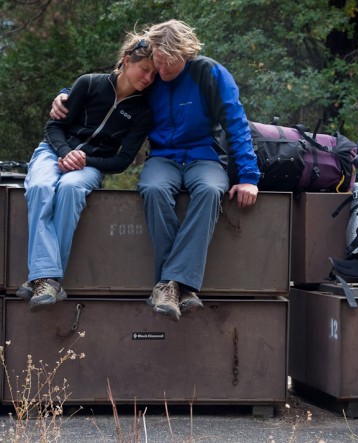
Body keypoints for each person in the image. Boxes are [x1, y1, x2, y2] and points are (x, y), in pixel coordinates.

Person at [51, 20, 260, 321]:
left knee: (211, 190)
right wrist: (65, 94)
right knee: (152, 188)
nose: (159, 72)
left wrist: (249, 178)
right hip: (163, 156)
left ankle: (168, 284)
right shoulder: (153, 75)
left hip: (205, 156)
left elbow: (237, 125)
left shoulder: (209, 73)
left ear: (185, 54)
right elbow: (111, 85)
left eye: (167, 64)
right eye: (157, 63)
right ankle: (181, 287)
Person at [20, 33, 156, 311]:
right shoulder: (89, 83)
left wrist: (84, 160)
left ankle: (43, 279)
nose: (149, 78)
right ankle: (49, 280)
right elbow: (54, 126)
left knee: (70, 189)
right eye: (145, 69)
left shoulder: (143, 110)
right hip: (52, 151)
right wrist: (64, 153)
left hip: (92, 165)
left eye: (154, 75)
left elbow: (122, 160)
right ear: (127, 60)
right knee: (40, 187)